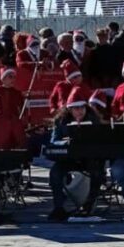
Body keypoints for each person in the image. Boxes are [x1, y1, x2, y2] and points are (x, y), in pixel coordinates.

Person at [48, 87, 105, 221]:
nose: (79, 111)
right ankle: (58, 207)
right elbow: (53, 141)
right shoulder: (61, 121)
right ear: (69, 109)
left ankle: (88, 205)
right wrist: (64, 143)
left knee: (97, 172)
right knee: (55, 173)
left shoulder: (94, 121)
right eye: (75, 108)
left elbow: (102, 141)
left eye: (81, 107)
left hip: (89, 158)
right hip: (68, 158)